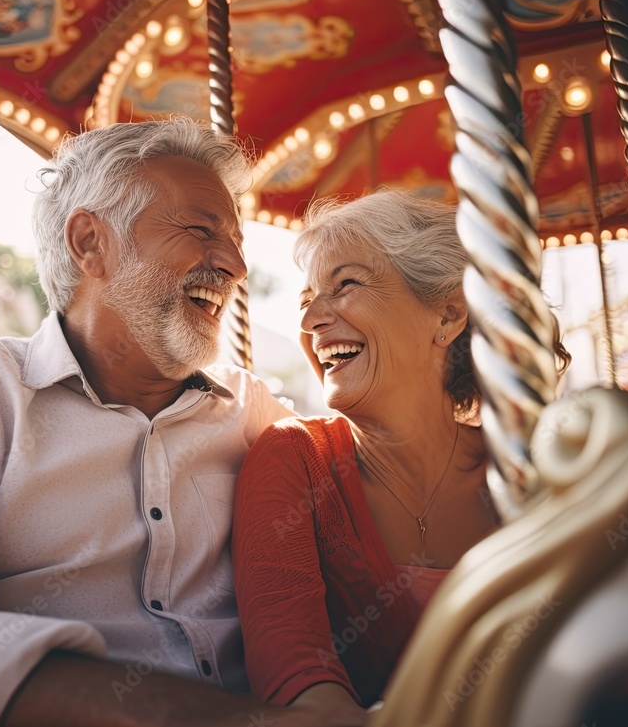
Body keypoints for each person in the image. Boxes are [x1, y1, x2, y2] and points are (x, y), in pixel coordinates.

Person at [0, 119, 363, 727]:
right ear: (89, 242)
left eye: (235, 241)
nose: (234, 264)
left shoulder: (252, 410)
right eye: (202, 230)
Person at [232, 191, 570, 713]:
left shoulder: (530, 470)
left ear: (448, 314)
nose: (311, 321)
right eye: (305, 302)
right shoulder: (295, 459)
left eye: (345, 285)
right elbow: (295, 671)